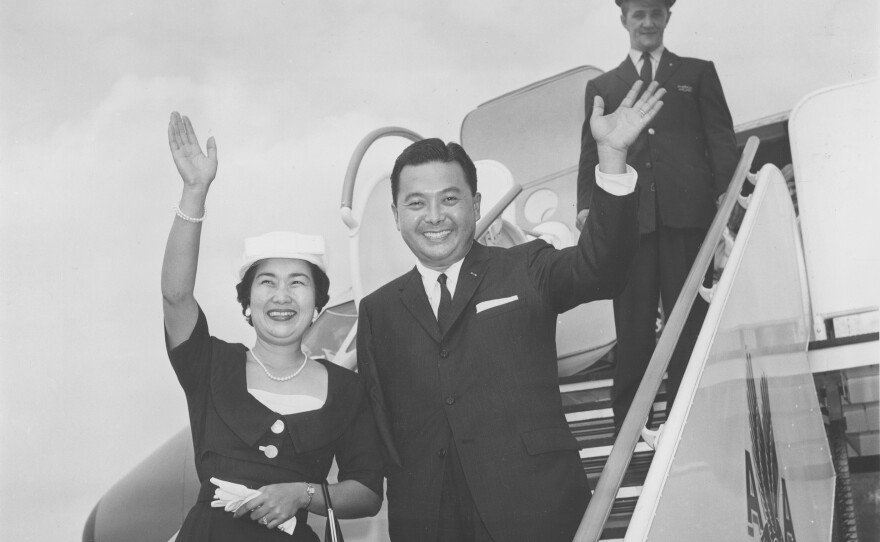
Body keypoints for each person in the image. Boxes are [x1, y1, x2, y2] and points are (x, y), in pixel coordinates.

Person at [357, 82, 665, 541]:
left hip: (538, 512)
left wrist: (613, 158)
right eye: (416, 203)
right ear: (396, 215)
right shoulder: (376, 311)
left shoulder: (528, 265)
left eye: (450, 198)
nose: (434, 216)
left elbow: (603, 267)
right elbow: (380, 430)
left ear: (476, 205)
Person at [162, 112, 383, 541]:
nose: (282, 296)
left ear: (318, 302)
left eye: (298, 283)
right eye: (267, 282)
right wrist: (194, 192)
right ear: (247, 301)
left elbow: (368, 493)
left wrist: (303, 494)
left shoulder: (348, 390)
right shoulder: (210, 363)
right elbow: (176, 296)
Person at [576, 0, 739, 431]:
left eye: (655, 13)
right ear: (624, 20)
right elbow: (590, 155)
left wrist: (726, 192)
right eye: (638, 14)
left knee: (689, 320)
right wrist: (587, 207)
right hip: (631, 223)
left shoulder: (697, 73)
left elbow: (720, 138)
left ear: (667, 17)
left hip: (689, 218)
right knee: (632, 326)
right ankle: (631, 427)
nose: (647, 22)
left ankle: (691, 420)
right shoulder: (603, 85)